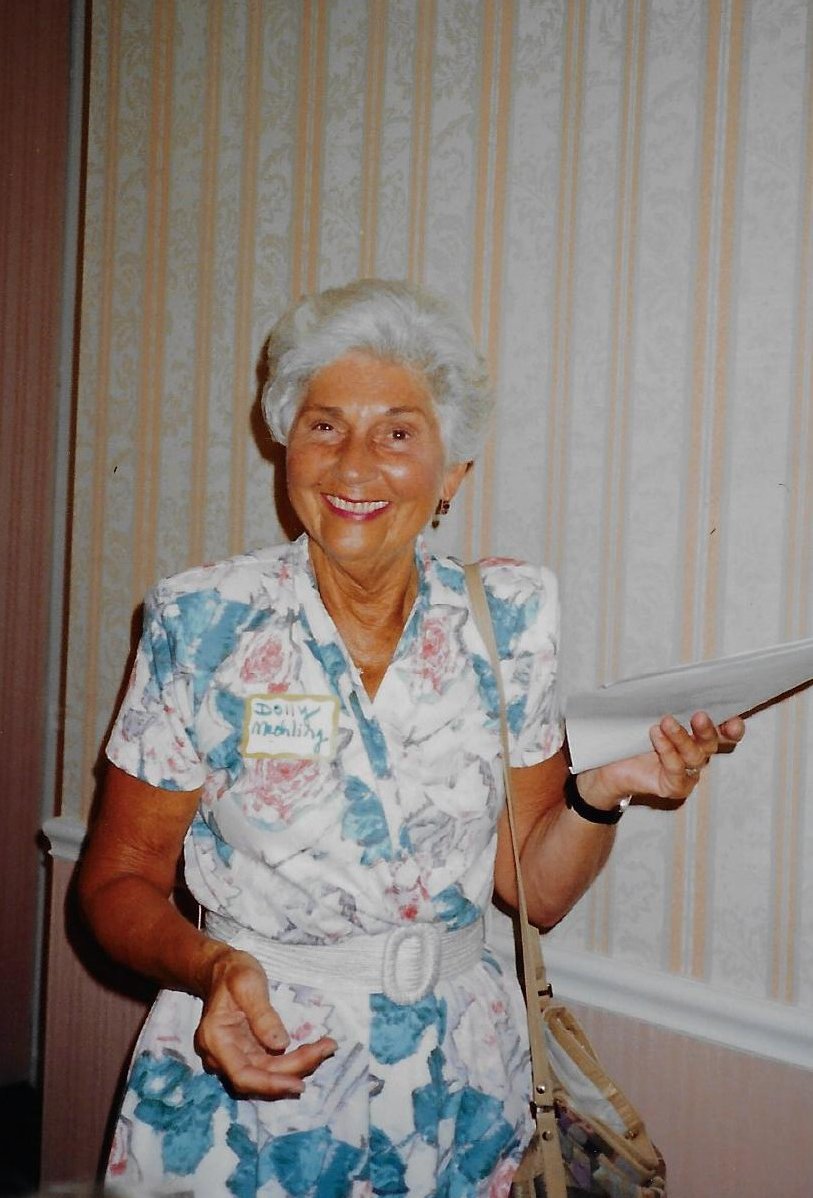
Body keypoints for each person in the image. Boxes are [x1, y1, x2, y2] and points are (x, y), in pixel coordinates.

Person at [79, 279, 744, 1197]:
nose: (353, 465)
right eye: (324, 426)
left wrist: (603, 790)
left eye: (397, 434)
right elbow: (114, 881)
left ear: (451, 473)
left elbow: (536, 892)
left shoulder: (508, 616)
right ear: (286, 444)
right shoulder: (203, 620)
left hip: (455, 1082)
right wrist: (210, 965)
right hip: (252, 1065)